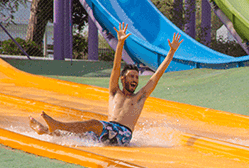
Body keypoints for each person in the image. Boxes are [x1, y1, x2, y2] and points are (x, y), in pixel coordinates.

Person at [29, 23, 183, 145]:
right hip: (107, 131)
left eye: (137, 77)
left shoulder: (139, 98)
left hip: (122, 135)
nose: (135, 80)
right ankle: (46, 132)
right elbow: (116, 67)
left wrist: (171, 53)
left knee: (93, 124)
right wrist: (120, 43)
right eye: (131, 76)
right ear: (123, 79)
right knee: (78, 135)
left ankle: (58, 125)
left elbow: (156, 77)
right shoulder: (115, 92)